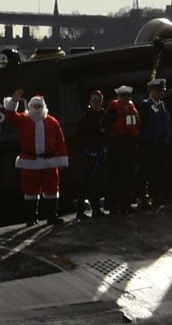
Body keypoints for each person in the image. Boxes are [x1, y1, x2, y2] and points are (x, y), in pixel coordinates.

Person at [8, 95, 69, 224]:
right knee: (30, 190)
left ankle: (52, 216)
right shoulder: (23, 120)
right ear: (30, 107)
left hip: (49, 161)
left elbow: (60, 141)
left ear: (43, 107)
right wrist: (13, 101)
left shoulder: (52, 122)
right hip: (30, 161)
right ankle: (32, 217)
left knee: (52, 188)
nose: (36, 108)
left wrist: (62, 159)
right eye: (34, 106)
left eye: (39, 106)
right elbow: (10, 115)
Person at [68, 90, 110, 219]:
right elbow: (77, 138)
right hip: (88, 156)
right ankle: (80, 212)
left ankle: (96, 209)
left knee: (98, 183)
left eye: (98, 100)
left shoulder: (103, 116)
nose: (96, 103)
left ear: (102, 101)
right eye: (94, 100)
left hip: (100, 154)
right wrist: (84, 153)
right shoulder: (85, 118)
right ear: (90, 102)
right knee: (84, 183)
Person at [139, 78, 172, 206]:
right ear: (151, 91)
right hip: (149, 143)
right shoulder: (145, 105)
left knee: (160, 171)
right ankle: (143, 197)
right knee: (148, 171)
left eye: (162, 91)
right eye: (158, 91)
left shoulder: (163, 105)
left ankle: (157, 196)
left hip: (162, 143)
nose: (161, 93)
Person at [106, 85, 142, 212]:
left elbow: (137, 125)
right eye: (123, 96)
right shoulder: (113, 110)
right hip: (117, 146)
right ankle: (113, 205)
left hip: (130, 145)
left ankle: (125, 203)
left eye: (128, 96)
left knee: (128, 176)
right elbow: (108, 127)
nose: (126, 98)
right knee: (116, 176)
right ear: (118, 97)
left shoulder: (133, 109)